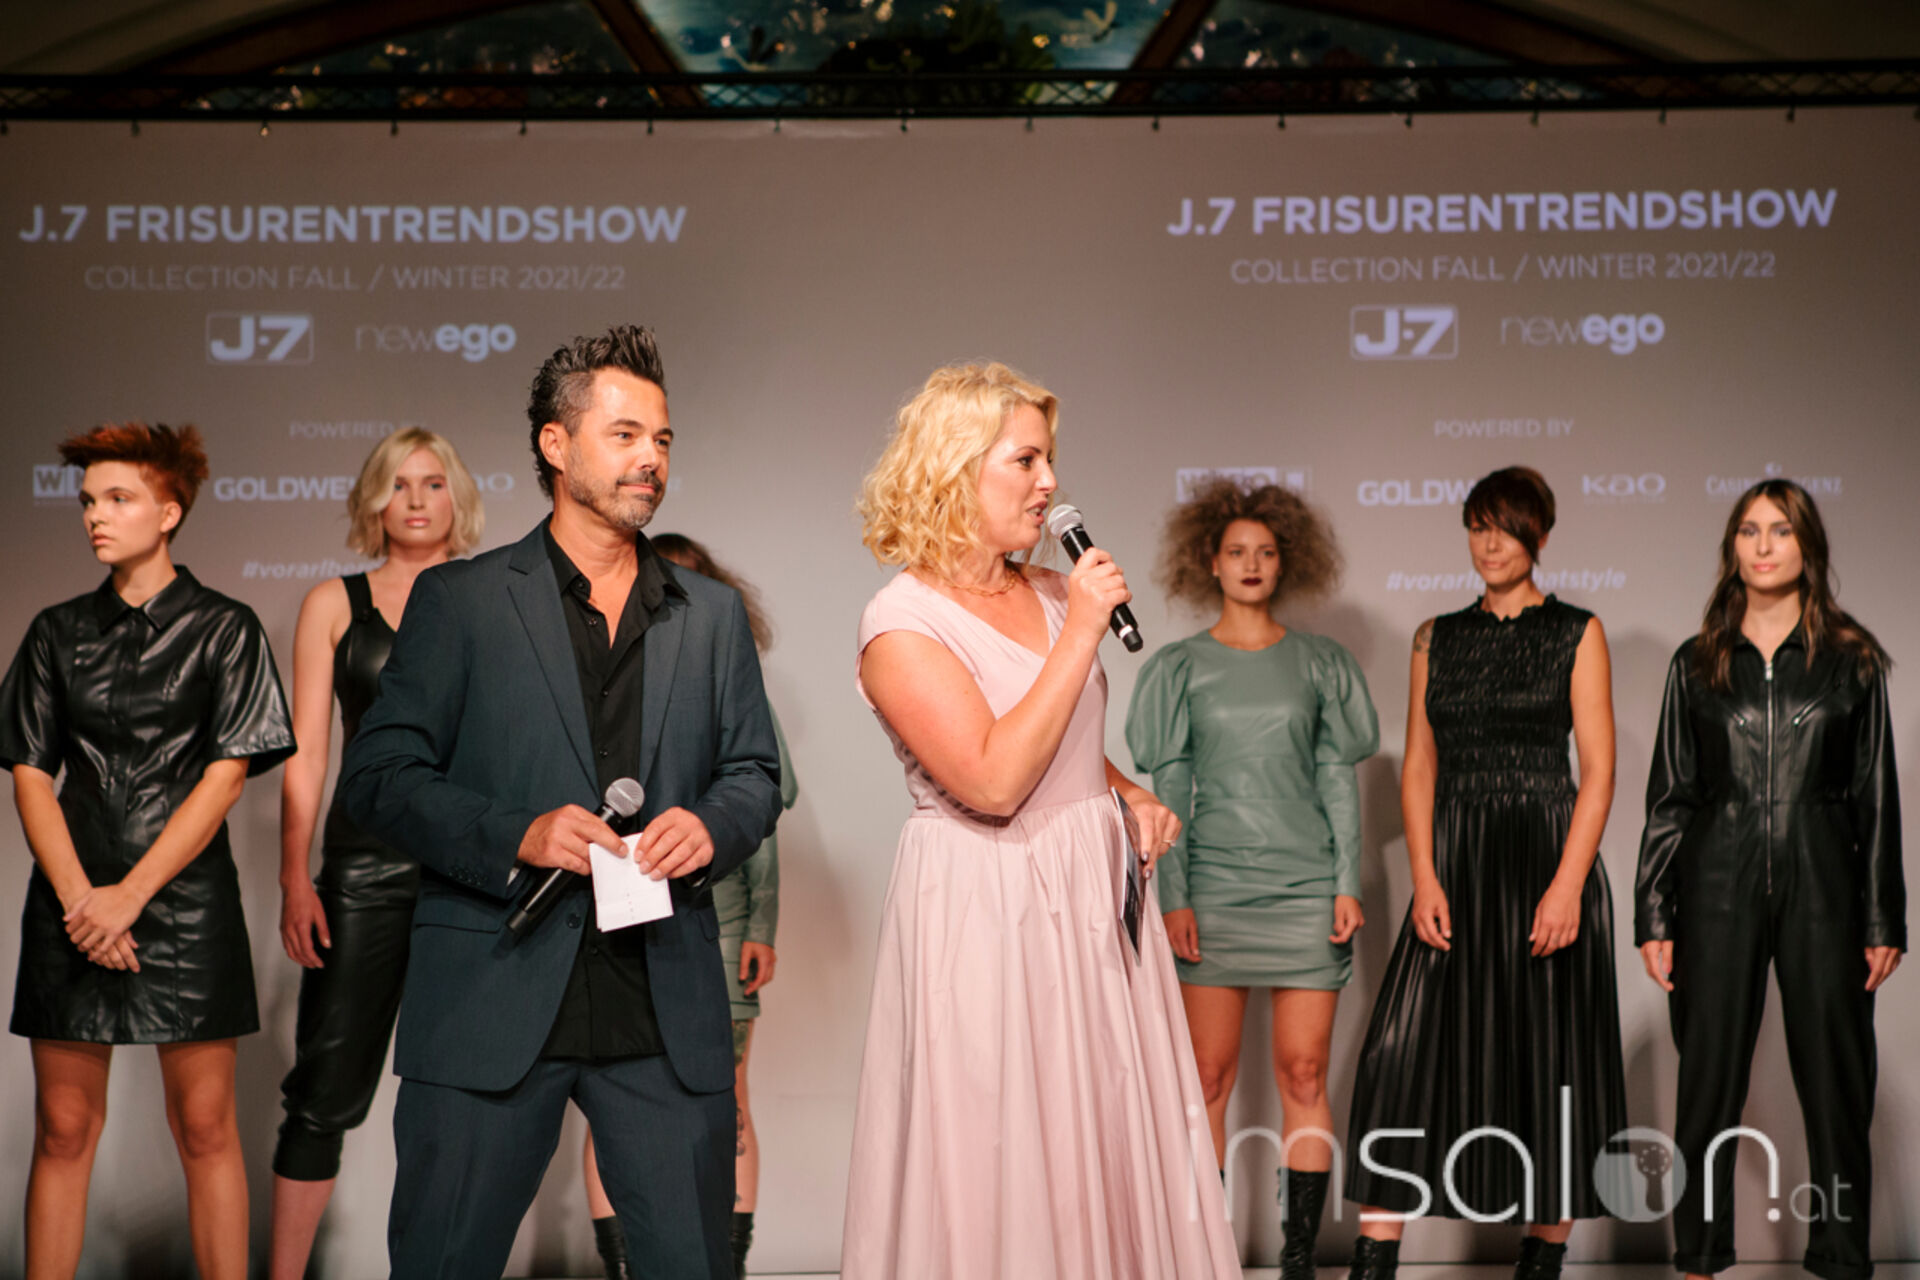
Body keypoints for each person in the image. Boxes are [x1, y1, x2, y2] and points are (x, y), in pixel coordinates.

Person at [336, 325, 782, 1279]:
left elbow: (754, 773)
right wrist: (519, 834)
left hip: (661, 1008)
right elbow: (378, 775)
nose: (651, 458)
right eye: (625, 435)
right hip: (491, 989)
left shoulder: (708, 616)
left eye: (662, 439)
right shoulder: (462, 601)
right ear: (556, 444)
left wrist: (709, 826)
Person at [842, 362, 1240, 1279]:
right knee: (1003, 1144)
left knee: (1101, 1133)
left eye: (1049, 459)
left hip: (1092, 904)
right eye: (1025, 460)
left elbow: (1061, 742)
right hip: (990, 906)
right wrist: (1083, 632)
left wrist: (1127, 792)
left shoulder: (1058, 592)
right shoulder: (901, 624)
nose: (1050, 482)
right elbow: (991, 778)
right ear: (956, 471)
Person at [2, 423, 294, 1280]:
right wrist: (81, 902)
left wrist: (127, 897)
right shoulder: (56, 632)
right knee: (63, 1129)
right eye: (88, 500)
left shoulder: (226, 628)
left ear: (169, 512)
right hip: (71, 905)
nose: (95, 515)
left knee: (204, 1128)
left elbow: (226, 778)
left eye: (118, 498)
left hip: (185, 906)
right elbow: (30, 775)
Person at [1343, 466, 1626, 1279]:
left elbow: (1599, 772)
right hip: (1457, 864)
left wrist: (1568, 886)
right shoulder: (1434, 637)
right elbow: (1418, 767)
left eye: (1504, 527)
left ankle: (1542, 1260)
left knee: (1551, 1059)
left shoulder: (1579, 631)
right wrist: (1425, 877)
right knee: (1399, 1058)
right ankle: (1373, 1264)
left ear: (1540, 536)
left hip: (1547, 860)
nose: (1489, 543)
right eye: (1477, 526)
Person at [1635, 478, 1902, 1280]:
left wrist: (1882, 918)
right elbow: (1672, 797)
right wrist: (1655, 913)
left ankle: (1842, 1260)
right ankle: (1699, 1258)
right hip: (1715, 887)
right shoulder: (1698, 664)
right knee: (1707, 1087)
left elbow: (1875, 798)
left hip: (1827, 890)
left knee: (1837, 1088)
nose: (1762, 545)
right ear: (1732, 548)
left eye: (1779, 530)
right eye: (1748, 530)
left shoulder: (1850, 661)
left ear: (1807, 546)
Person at [1125, 477, 1378, 1276]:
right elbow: (1166, 790)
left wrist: (1346, 882)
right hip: (1214, 890)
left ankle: (1299, 1259)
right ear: (1210, 562)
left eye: (1265, 552)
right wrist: (1174, 897)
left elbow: (1337, 778)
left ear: (1284, 562)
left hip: (1306, 888)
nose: (1251, 563)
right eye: (1236, 551)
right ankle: (1207, 1258)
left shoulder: (1319, 664)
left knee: (1304, 1072)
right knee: (1207, 1077)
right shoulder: (1179, 668)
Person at [267, 428, 485, 1280]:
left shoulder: (490, 595)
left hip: (469, 869)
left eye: (433, 482)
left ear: (456, 496)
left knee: (463, 1094)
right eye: (399, 484)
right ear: (374, 500)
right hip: (360, 870)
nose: (417, 500)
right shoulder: (333, 602)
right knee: (323, 1092)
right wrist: (295, 878)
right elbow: (307, 756)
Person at [582, 531, 798, 1280]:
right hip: (613, 905)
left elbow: (763, 803)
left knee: (726, 1097)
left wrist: (762, 926)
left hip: (719, 915)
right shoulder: (594, 683)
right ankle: (623, 1267)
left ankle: (723, 1266)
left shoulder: (726, 677)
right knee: (607, 1091)